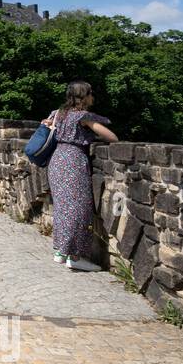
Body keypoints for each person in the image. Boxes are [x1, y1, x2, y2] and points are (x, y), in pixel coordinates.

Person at [44, 80, 118, 270]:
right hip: (73, 161)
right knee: (80, 209)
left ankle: (61, 251)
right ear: (84, 96)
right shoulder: (82, 116)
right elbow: (112, 138)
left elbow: (45, 124)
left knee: (62, 207)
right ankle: (75, 257)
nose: (93, 97)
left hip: (57, 159)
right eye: (91, 93)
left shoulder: (58, 113)